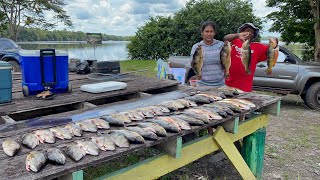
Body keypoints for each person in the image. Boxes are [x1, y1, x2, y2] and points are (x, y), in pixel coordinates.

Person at [223, 23, 278, 92]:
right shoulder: (234, 42)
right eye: (247, 30)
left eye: (252, 32)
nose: (250, 33)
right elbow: (225, 38)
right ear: (242, 32)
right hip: (228, 85)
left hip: (245, 87)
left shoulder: (258, 47)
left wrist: (275, 43)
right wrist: (238, 35)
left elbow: (272, 50)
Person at [190, 21, 225, 87]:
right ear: (202, 32)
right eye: (207, 31)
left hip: (220, 84)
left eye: (211, 31)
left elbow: (226, 61)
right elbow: (193, 65)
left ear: (215, 33)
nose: (209, 34)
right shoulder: (197, 47)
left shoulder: (221, 45)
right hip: (202, 85)